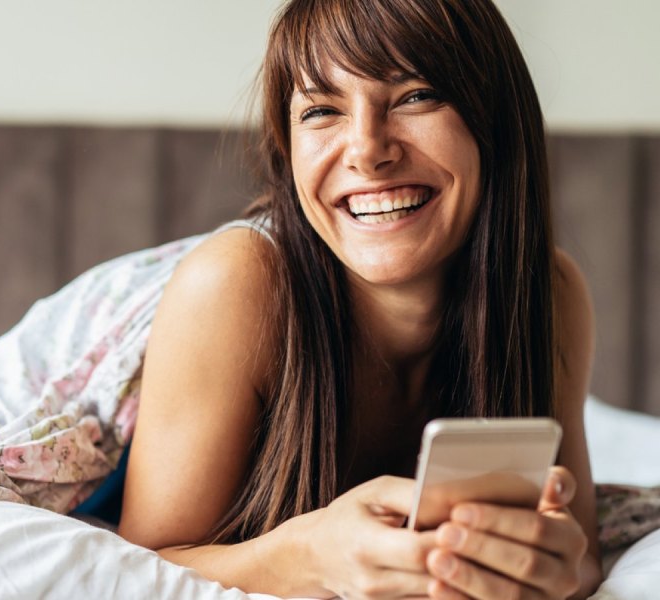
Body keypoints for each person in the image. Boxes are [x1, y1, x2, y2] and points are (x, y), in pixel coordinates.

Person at [116, 0, 603, 598]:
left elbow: (580, 557)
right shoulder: (235, 284)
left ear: (494, 121)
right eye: (322, 110)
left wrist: (546, 568)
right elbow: (134, 570)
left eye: (415, 96)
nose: (368, 150)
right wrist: (310, 556)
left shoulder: (549, 295)